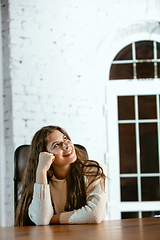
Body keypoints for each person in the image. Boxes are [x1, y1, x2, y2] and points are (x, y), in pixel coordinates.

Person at [15, 125, 107, 226]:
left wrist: (53, 219)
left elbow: (95, 214)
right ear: (45, 156)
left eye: (65, 138)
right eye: (56, 145)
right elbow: (41, 219)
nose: (66, 145)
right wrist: (41, 171)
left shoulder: (91, 171)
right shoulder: (40, 179)